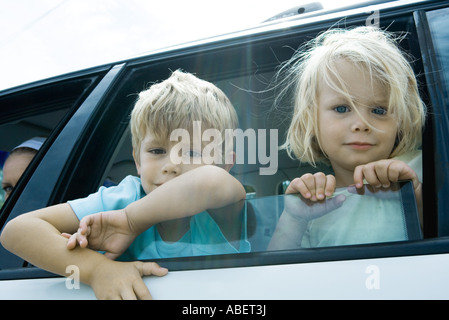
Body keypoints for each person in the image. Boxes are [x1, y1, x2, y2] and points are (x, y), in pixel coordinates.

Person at [0, 70, 249, 299]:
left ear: (226, 164)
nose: (171, 164)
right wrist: (97, 270)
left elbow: (210, 182)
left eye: (192, 152)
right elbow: (17, 231)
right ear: (137, 161)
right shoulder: (125, 197)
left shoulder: (221, 210)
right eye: (157, 150)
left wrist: (131, 221)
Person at [268, 26, 426, 250]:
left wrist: (415, 196)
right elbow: (277, 278)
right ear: (311, 120)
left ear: (399, 120)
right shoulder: (314, 204)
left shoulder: (421, 168)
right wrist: (294, 219)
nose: (361, 124)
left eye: (379, 111)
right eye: (342, 108)